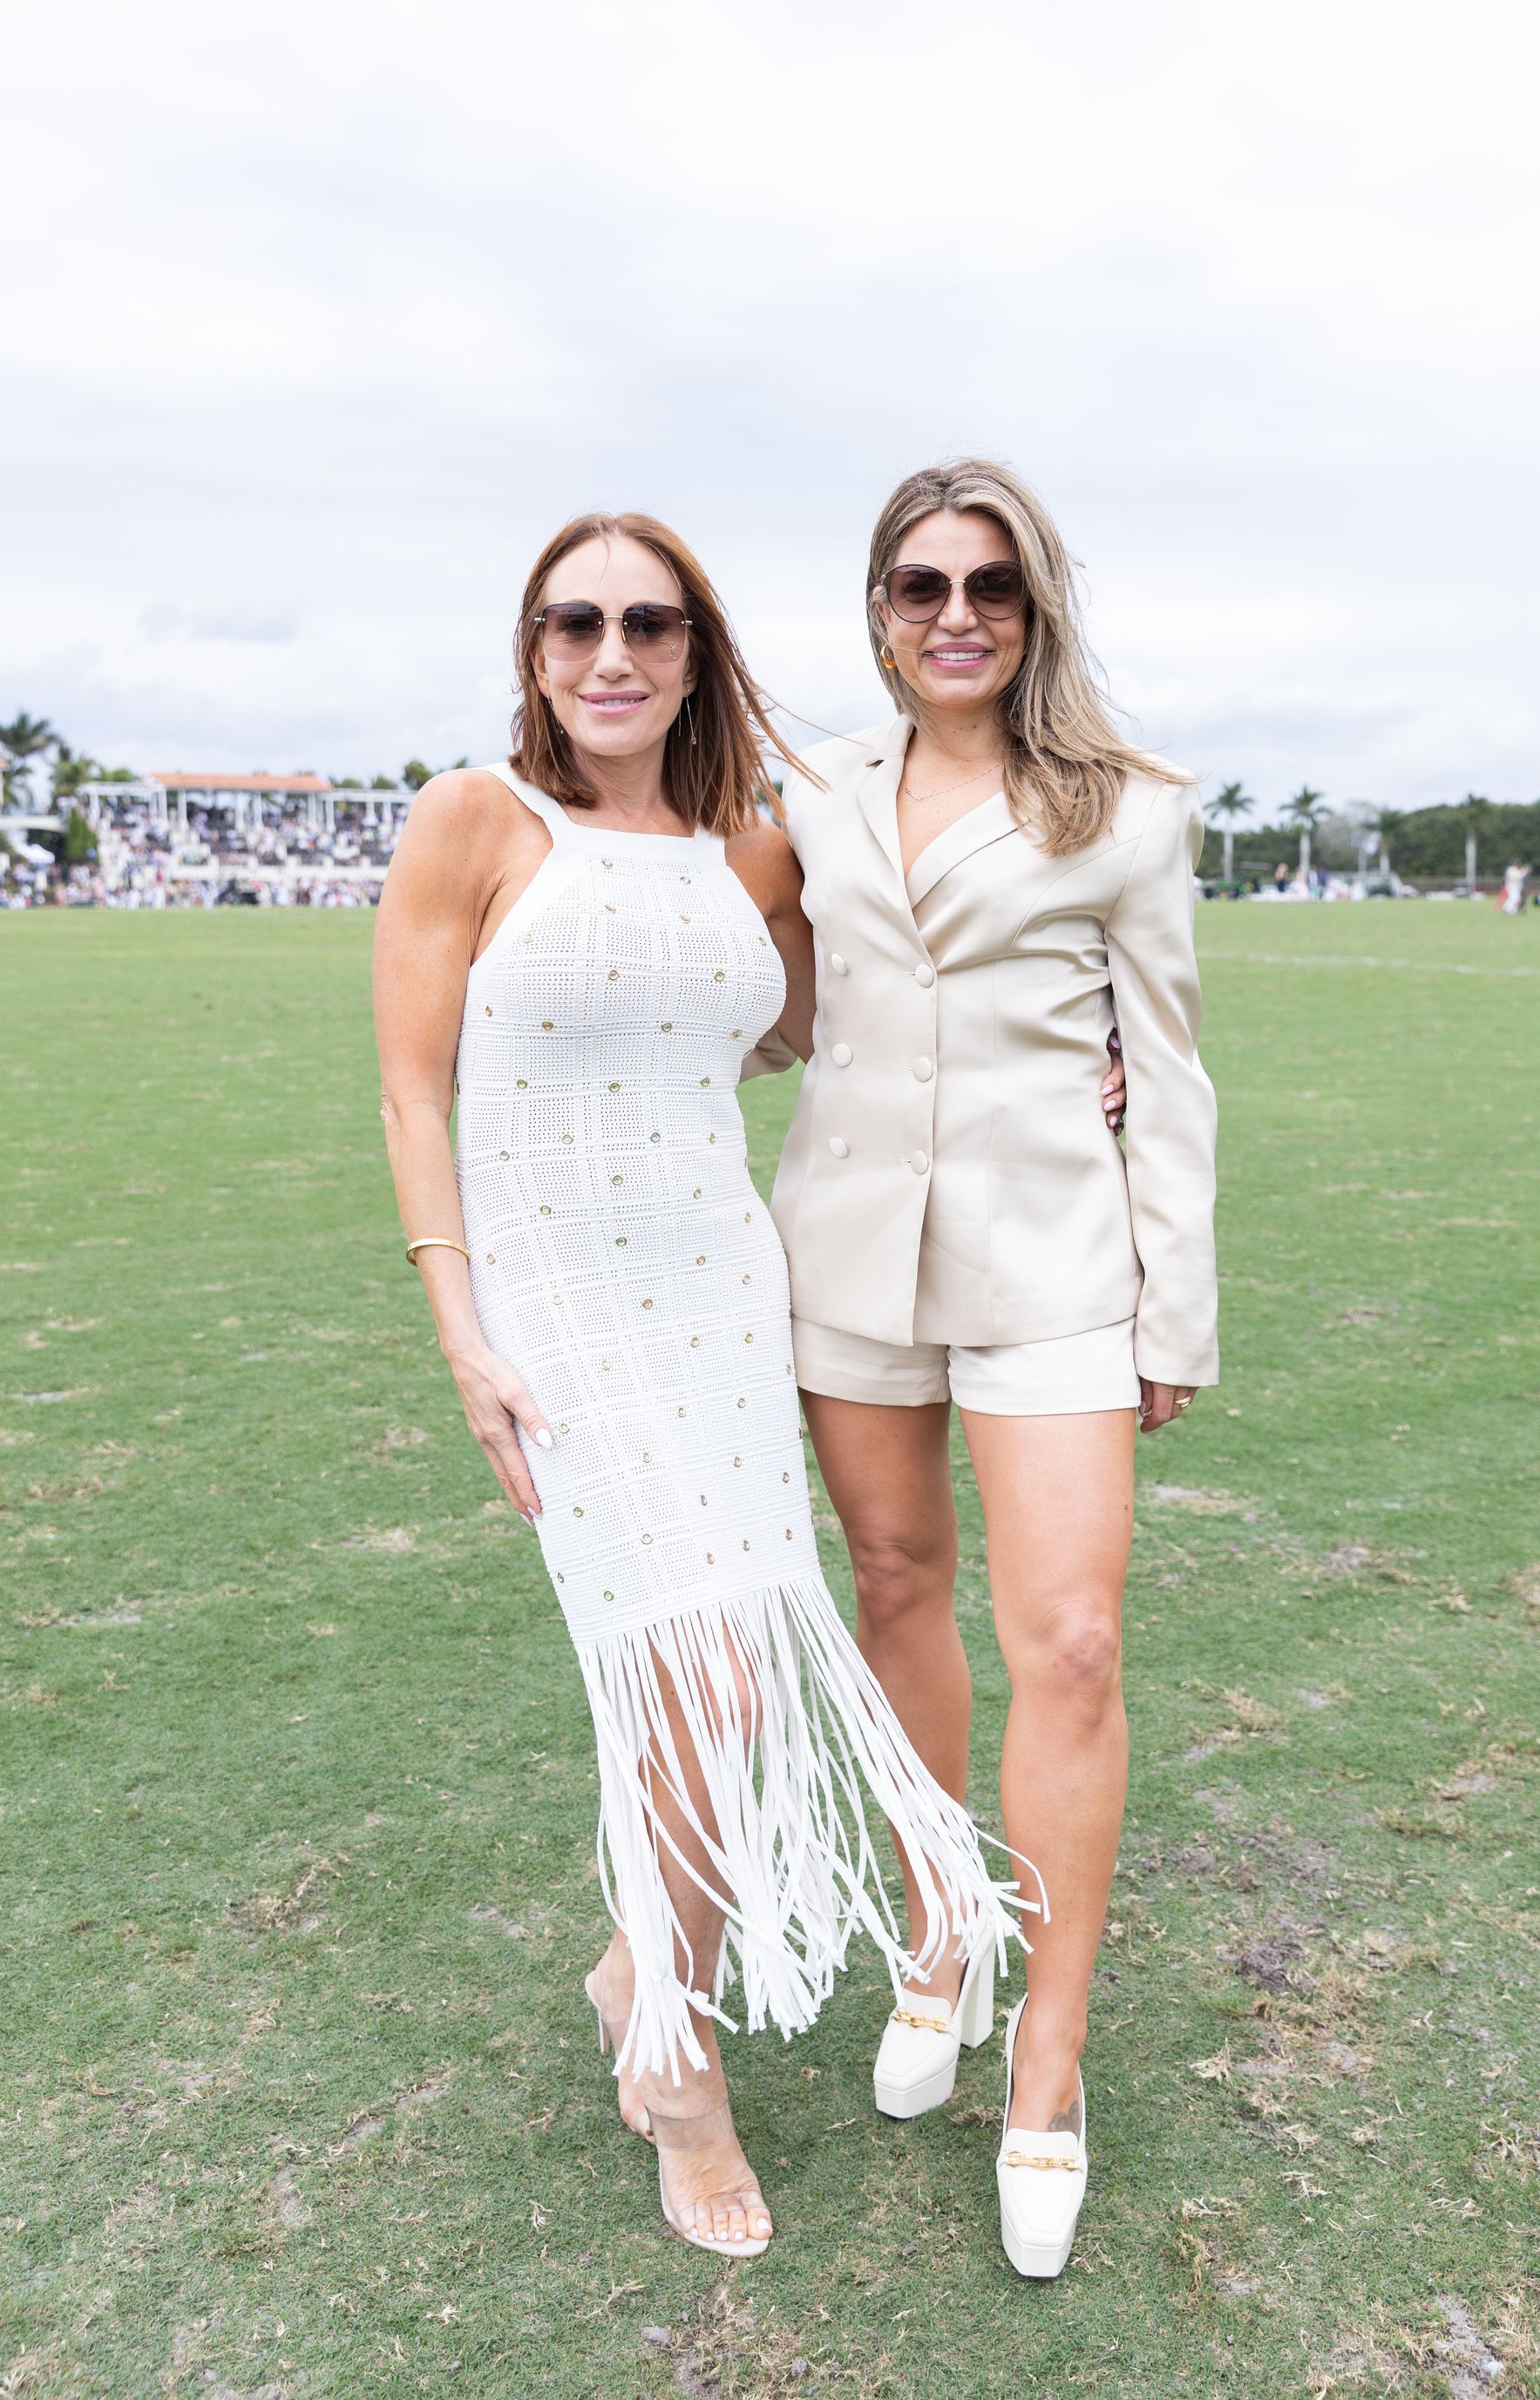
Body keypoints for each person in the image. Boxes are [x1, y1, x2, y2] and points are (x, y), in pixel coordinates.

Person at [374, 512, 1024, 2261]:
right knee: (702, 1670)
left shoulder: (751, 855)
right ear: (532, 650)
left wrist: (1077, 1056)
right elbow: (409, 1093)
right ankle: (681, 2071)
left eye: (649, 622)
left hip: (727, 1295)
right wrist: (462, 1332)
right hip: (560, 1317)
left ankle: (633, 1976)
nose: (612, 653)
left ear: (694, 648)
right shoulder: (472, 822)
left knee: (726, 1670)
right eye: (575, 622)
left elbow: (842, 1018)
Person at [770, 459, 1218, 2278]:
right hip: (850, 1262)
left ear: (1034, 610)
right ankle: (939, 1941)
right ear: (877, 610)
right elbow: (775, 1000)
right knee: (892, 1585)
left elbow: (1168, 1068)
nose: (952, 614)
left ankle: (1049, 2053)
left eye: (989, 587)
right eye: (917, 584)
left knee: (1075, 1643)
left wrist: (1171, 1309)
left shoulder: (1127, 808)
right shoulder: (804, 787)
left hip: (1058, 1274)